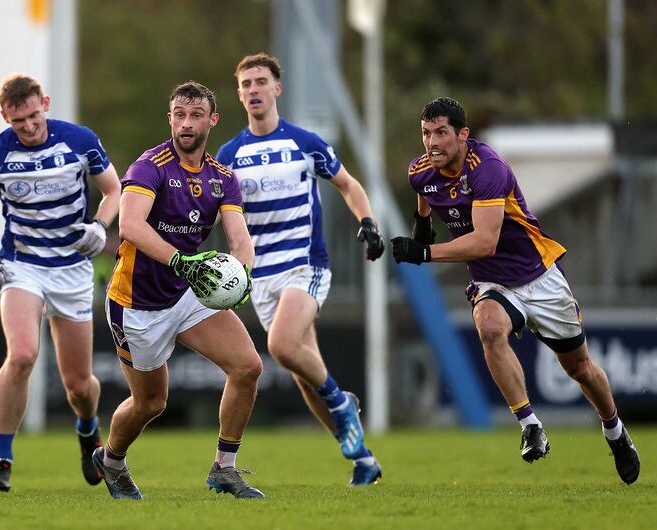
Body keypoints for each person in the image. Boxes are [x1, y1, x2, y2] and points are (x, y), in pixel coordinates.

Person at [391, 96, 640, 485]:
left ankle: (615, 433)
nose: (432, 142)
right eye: (426, 133)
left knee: (580, 369)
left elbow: (484, 243)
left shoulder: (487, 169)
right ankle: (530, 425)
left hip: (538, 276)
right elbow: (424, 190)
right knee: (489, 325)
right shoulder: (421, 170)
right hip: (493, 282)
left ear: (463, 135)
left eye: (441, 133)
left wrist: (424, 251)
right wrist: (421, 222)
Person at [0, 73, 122, 492]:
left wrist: (99, 226)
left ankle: (87, 428)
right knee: (21, 355)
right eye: (19, 121)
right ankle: (1, 460)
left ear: (46, 104)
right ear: (5, 116)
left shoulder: (78, 140)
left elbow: (115, 190)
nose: (29, 127)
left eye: (34, 116)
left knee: (79, 386)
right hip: (23, 267)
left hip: (73, 269)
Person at [216, 52, 385, 487]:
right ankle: (363, 460)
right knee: (302, 373)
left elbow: (348, 184)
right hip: (261, 276)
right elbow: (213, 210)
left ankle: (342, 402)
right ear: (239, 95)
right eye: (246, 84)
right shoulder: (229, 154)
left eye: (260, 81)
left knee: (283, 345)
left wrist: (367, 223)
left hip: (304, 264)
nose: (253, 89)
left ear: (277, 89)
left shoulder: (304, 142)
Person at [96, 81, 264, 500]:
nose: (186, 124)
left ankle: (224, 469)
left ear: (212, 119)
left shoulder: (223, 178)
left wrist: (242, 274)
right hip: (136, 302)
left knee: (248, 367)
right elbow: (129, 226)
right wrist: (178, 260)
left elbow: (240, 238)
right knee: (151, 403)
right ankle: (112, 459)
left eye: (195, 115)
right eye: (179, 115)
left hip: (186, 293)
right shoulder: (149, 166)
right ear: (169, 118)